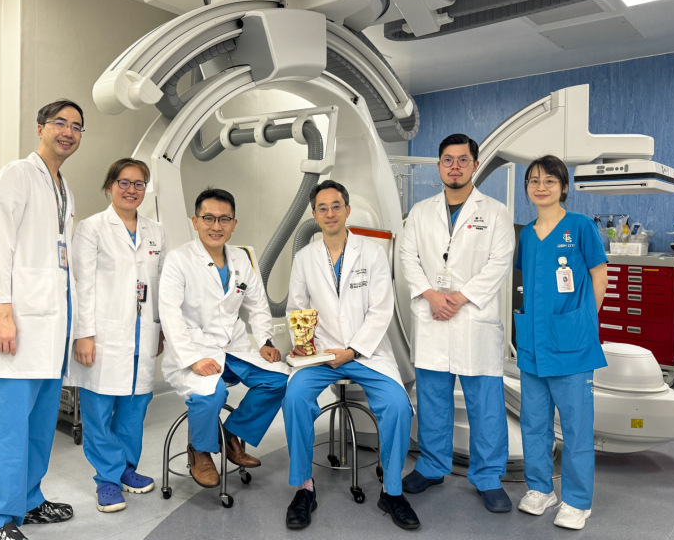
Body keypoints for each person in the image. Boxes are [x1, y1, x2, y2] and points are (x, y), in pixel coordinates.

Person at [283, 180, 419, 530]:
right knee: (295, 397)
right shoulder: (304, 258)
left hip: (366, 352)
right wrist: (302, 341)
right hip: (321, 355)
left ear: (347, 210)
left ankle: (391, 491)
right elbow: (297, 308)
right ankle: (304, 488)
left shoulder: (371, 253)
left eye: (336, 206)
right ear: (314, 215)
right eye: (322, 208)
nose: (330, 213)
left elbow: (381, 309)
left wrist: (352, 350)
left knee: (397, 405)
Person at [0, 99, 83, 540]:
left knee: (40, 425)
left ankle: (29, 500)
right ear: (40, 128)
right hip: (18, 323)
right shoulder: (17, 175)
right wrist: (2, 309)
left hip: (51, 328)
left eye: (76, 126)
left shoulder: (64, 188)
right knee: (6, 427)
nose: (68, 131)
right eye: (60, 122)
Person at [400, 133, 515, 513]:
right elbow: (407, 258)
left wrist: (459, 298)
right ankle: (432, 466)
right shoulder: (420, 212)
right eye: (448, 160)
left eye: (463, 160)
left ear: (475, 165)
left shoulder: (496, 212)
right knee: (432, 401)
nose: (455, 167)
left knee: (486, 406)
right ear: (438, 166)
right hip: (432, 316)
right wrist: (432, 296)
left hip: (474, 320)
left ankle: (488, 476)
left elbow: (499, 263)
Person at [159, 188, 290, 488]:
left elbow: (258, 305)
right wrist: (193, 359)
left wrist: (266, 342)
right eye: (208, 218)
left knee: (279, 379)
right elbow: (170, 314)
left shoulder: (241, 259)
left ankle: (230, 435)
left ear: (234, 224)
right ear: (195, 221)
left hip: (233, 348)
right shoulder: (179, 260)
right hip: (194, 349)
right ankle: (200, 451)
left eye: (224, 219)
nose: (216, 226)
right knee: (213, 392)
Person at [65, 159, 166, 512]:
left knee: (134, 410)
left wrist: (161, 329)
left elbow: (159, 286)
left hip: (143, 335)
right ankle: (106, 480)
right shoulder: (92, 228)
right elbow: (81, 285)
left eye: (139, 184)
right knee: (98, 411)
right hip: (103, 336)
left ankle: (126, 470)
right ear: (109, 186)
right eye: (124, 182)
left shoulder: (156, 231)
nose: (131, 190)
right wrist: (84, 335)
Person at [513, 155, 608, 530]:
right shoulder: (526, 234)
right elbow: (527, 284)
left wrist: (582, 322)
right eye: (534, 181)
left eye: (549, 181)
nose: (541, 187)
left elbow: (599, 276)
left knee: (576, 426)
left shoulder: (580, 226)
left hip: (572, 344)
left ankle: (577, 500)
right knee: (534, 423)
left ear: (563, 187)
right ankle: (540, 489)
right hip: (534, 345)